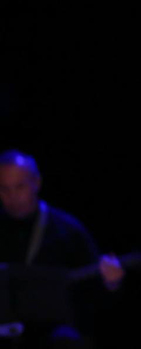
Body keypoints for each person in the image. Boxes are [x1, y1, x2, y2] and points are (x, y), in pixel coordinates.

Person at [0, 149, 124, 348]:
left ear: (36, 183)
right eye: (3, 189)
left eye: (19, 187)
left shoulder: (68, 230)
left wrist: (112, 283)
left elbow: (98, 298)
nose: (12, 196)